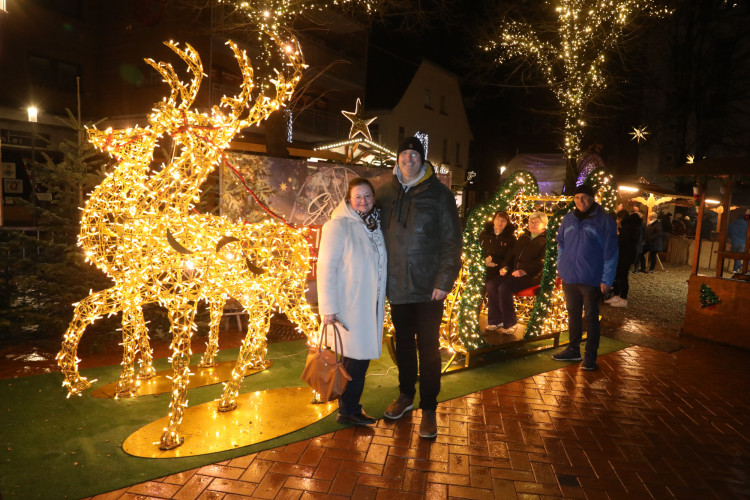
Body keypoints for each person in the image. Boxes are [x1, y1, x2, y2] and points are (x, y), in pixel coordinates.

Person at [376, 136, 462, 439]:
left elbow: (452, 241)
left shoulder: (439, 194)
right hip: (397, 285)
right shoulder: (385, 191)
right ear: (397, 158)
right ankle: (405, 396)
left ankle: (428, 408)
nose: (408, 158)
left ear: (421, 159)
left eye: (414, 154)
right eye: (404, 153)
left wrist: (444, 281)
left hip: (428, 288)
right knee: (403, 344)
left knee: (428, 349)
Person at [317, 178, 387, 426]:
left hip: (369, 305)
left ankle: (348, 407)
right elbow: (326, 269)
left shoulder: (374, 224)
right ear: (348, 199)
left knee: (355, 360)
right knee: (356, 360)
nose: (363, 201)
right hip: (349, 307)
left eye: (368, 196)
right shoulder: (338, 225)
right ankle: (348, 410)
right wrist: (328, 310)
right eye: (358, 196)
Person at [552, 184, 618, 370]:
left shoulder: (604, 220)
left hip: (591, 277)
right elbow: (561, 244)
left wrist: (607, 279)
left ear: (593, 198)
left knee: (590, 317)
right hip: (569, 277)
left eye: (584, 197)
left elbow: (611, 252)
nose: (580, 201)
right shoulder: (569, 218)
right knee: (573, 315)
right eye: (577, 197)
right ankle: (573, 350)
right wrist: (560, 266)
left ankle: (591, 356)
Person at [485, 212, 547, 333]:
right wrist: (505, 267)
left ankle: (510, 323)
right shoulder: (523, 238)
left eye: (536, 222)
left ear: (544, 225)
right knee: (491, 284)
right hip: (513, 274)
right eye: (531, 222)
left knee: (504, 287)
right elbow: (511, 255)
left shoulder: (545, 241)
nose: (533, 224)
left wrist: (524, 271)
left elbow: (541, 263)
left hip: (530, 277)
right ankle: (496, 321)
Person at [605, 209, 641, 307]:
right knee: (619, 274)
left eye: (619, 218)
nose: (618, 220)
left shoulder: (628, 227)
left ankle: (623, 298)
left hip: (625, 255)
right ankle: (617, 296)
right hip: (628, 254)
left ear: (621, 218)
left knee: (623, 275)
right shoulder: (633, 225)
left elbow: (623, 241)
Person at [478, 210, 517, 283]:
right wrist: (485, 260)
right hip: (482, 266)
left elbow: (510, 256)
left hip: (500, 268)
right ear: (493, 221)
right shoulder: (484, 234)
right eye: (498, 219)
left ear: (507, 223)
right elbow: (477, 249)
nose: (500, 222)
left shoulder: (511, 239)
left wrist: (499, 264)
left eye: (503, 220)